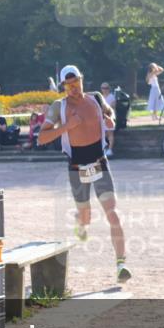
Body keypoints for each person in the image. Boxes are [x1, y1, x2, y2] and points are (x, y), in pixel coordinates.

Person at [39, 65, 130, 283]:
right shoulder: (57, 107)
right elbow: (42, 138)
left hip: (100, 162)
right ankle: (80, 223)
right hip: (77, 167)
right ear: (63, 86)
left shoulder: (96, 98)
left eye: (76, 82)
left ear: (82, 79)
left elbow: (111, 115)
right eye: (68, 84)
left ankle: (121, 265)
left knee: (112, 213)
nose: (73, 88)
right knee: (86, 218)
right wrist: (67, 126)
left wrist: (110, 121)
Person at [100, 82, 116, 157]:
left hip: (110, 117)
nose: (105, 90)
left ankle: (110, 150)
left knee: (110, 134)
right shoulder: (101, 97)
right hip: (102, 118)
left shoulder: (111, 96)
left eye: (106, 88)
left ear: (109, 89)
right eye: (103, 88)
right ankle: (105, 149)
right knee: (104, 134)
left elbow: (112, 106)